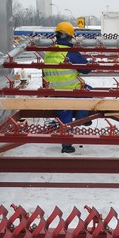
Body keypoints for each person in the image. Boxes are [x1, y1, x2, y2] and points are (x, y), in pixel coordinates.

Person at [43, 21, 91, 154]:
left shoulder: (49, 52)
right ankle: (83, 120)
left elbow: (44, 73)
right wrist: (89, 62)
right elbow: (86, 70)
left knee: (65, 116)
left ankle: (66, 145)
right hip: (73, 91)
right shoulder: (70, 52)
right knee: (89, 92)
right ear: (68, 37)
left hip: (55, 92)